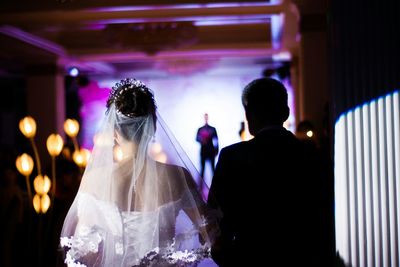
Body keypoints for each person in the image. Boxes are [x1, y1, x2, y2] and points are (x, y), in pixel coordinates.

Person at [60, 78, 220, 267]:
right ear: (152, 127)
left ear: (114, 131)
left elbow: (83, 251)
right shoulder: (177, 176)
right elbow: (210, 233)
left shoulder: (95, 180)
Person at [207, 78, 334, 266]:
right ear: (286, 113)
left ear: (248, 114)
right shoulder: (314, 156)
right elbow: (325, 218)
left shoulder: (232, 156)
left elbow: (215, 220)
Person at [196, 113, 219, 178]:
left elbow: (216, 140)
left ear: (208, 118)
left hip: (211, 151)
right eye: (205, 117)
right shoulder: (200, 129)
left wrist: (216, 150)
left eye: (207, 117)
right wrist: (202, 140)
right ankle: (200, 187)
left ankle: (216, 186)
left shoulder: (213, 129)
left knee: (213, 169)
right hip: (203, 151)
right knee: (202, 169)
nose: (206, 118)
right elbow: (197, 138)